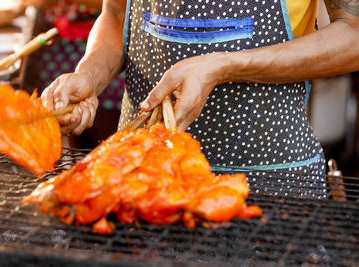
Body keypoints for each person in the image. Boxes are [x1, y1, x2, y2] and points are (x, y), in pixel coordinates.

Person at [41, 0, 359, 198]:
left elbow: (353, 36)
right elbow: (116, 12)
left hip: (269, 181)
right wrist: (90, 73)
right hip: (139, 178)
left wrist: (223, 65)